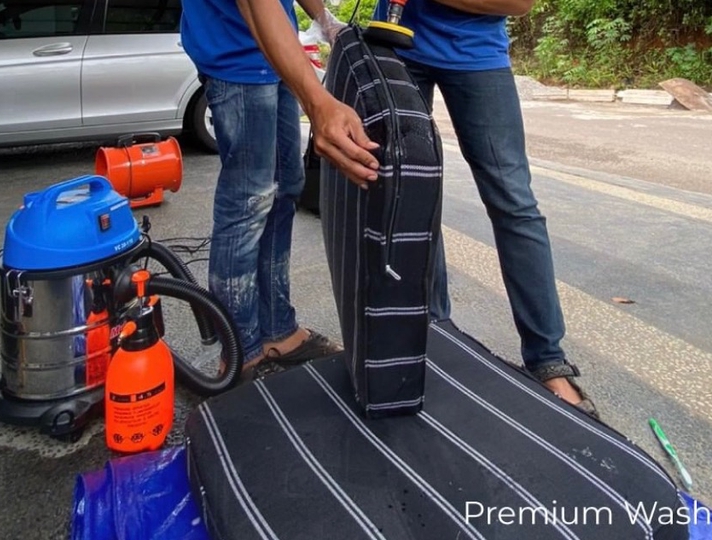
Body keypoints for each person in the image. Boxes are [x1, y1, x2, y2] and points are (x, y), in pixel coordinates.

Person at [235, 0, 599, 418]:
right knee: (411, 202)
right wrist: (318, 92)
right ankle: (432, 332)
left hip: (476, 55)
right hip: (395, 50)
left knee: (513, 201)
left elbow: (518, 4)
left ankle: (547, 358)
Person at [179, 0, 346, 375]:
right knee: (247, 201)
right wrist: (319, 102)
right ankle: (241, 350)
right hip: (235, 59)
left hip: (278, 56)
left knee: (286, 188)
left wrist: (325, 18)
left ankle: (278, 330)